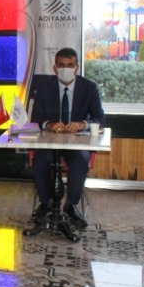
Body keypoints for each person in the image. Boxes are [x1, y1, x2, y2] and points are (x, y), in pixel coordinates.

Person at [30, 47, 105, 228]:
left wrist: (82, 124)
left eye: (70, 65)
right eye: (61, 65)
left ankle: (71, 205)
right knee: (40, 160)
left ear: (77, 67)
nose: (66, 69)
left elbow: (100, 119)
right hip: (50, 142)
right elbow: (36, 118)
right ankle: (46, 204)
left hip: (76, 143)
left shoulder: (89, 88)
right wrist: (49, 124)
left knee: (81, 160)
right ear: (55, 67)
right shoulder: (44, 87)